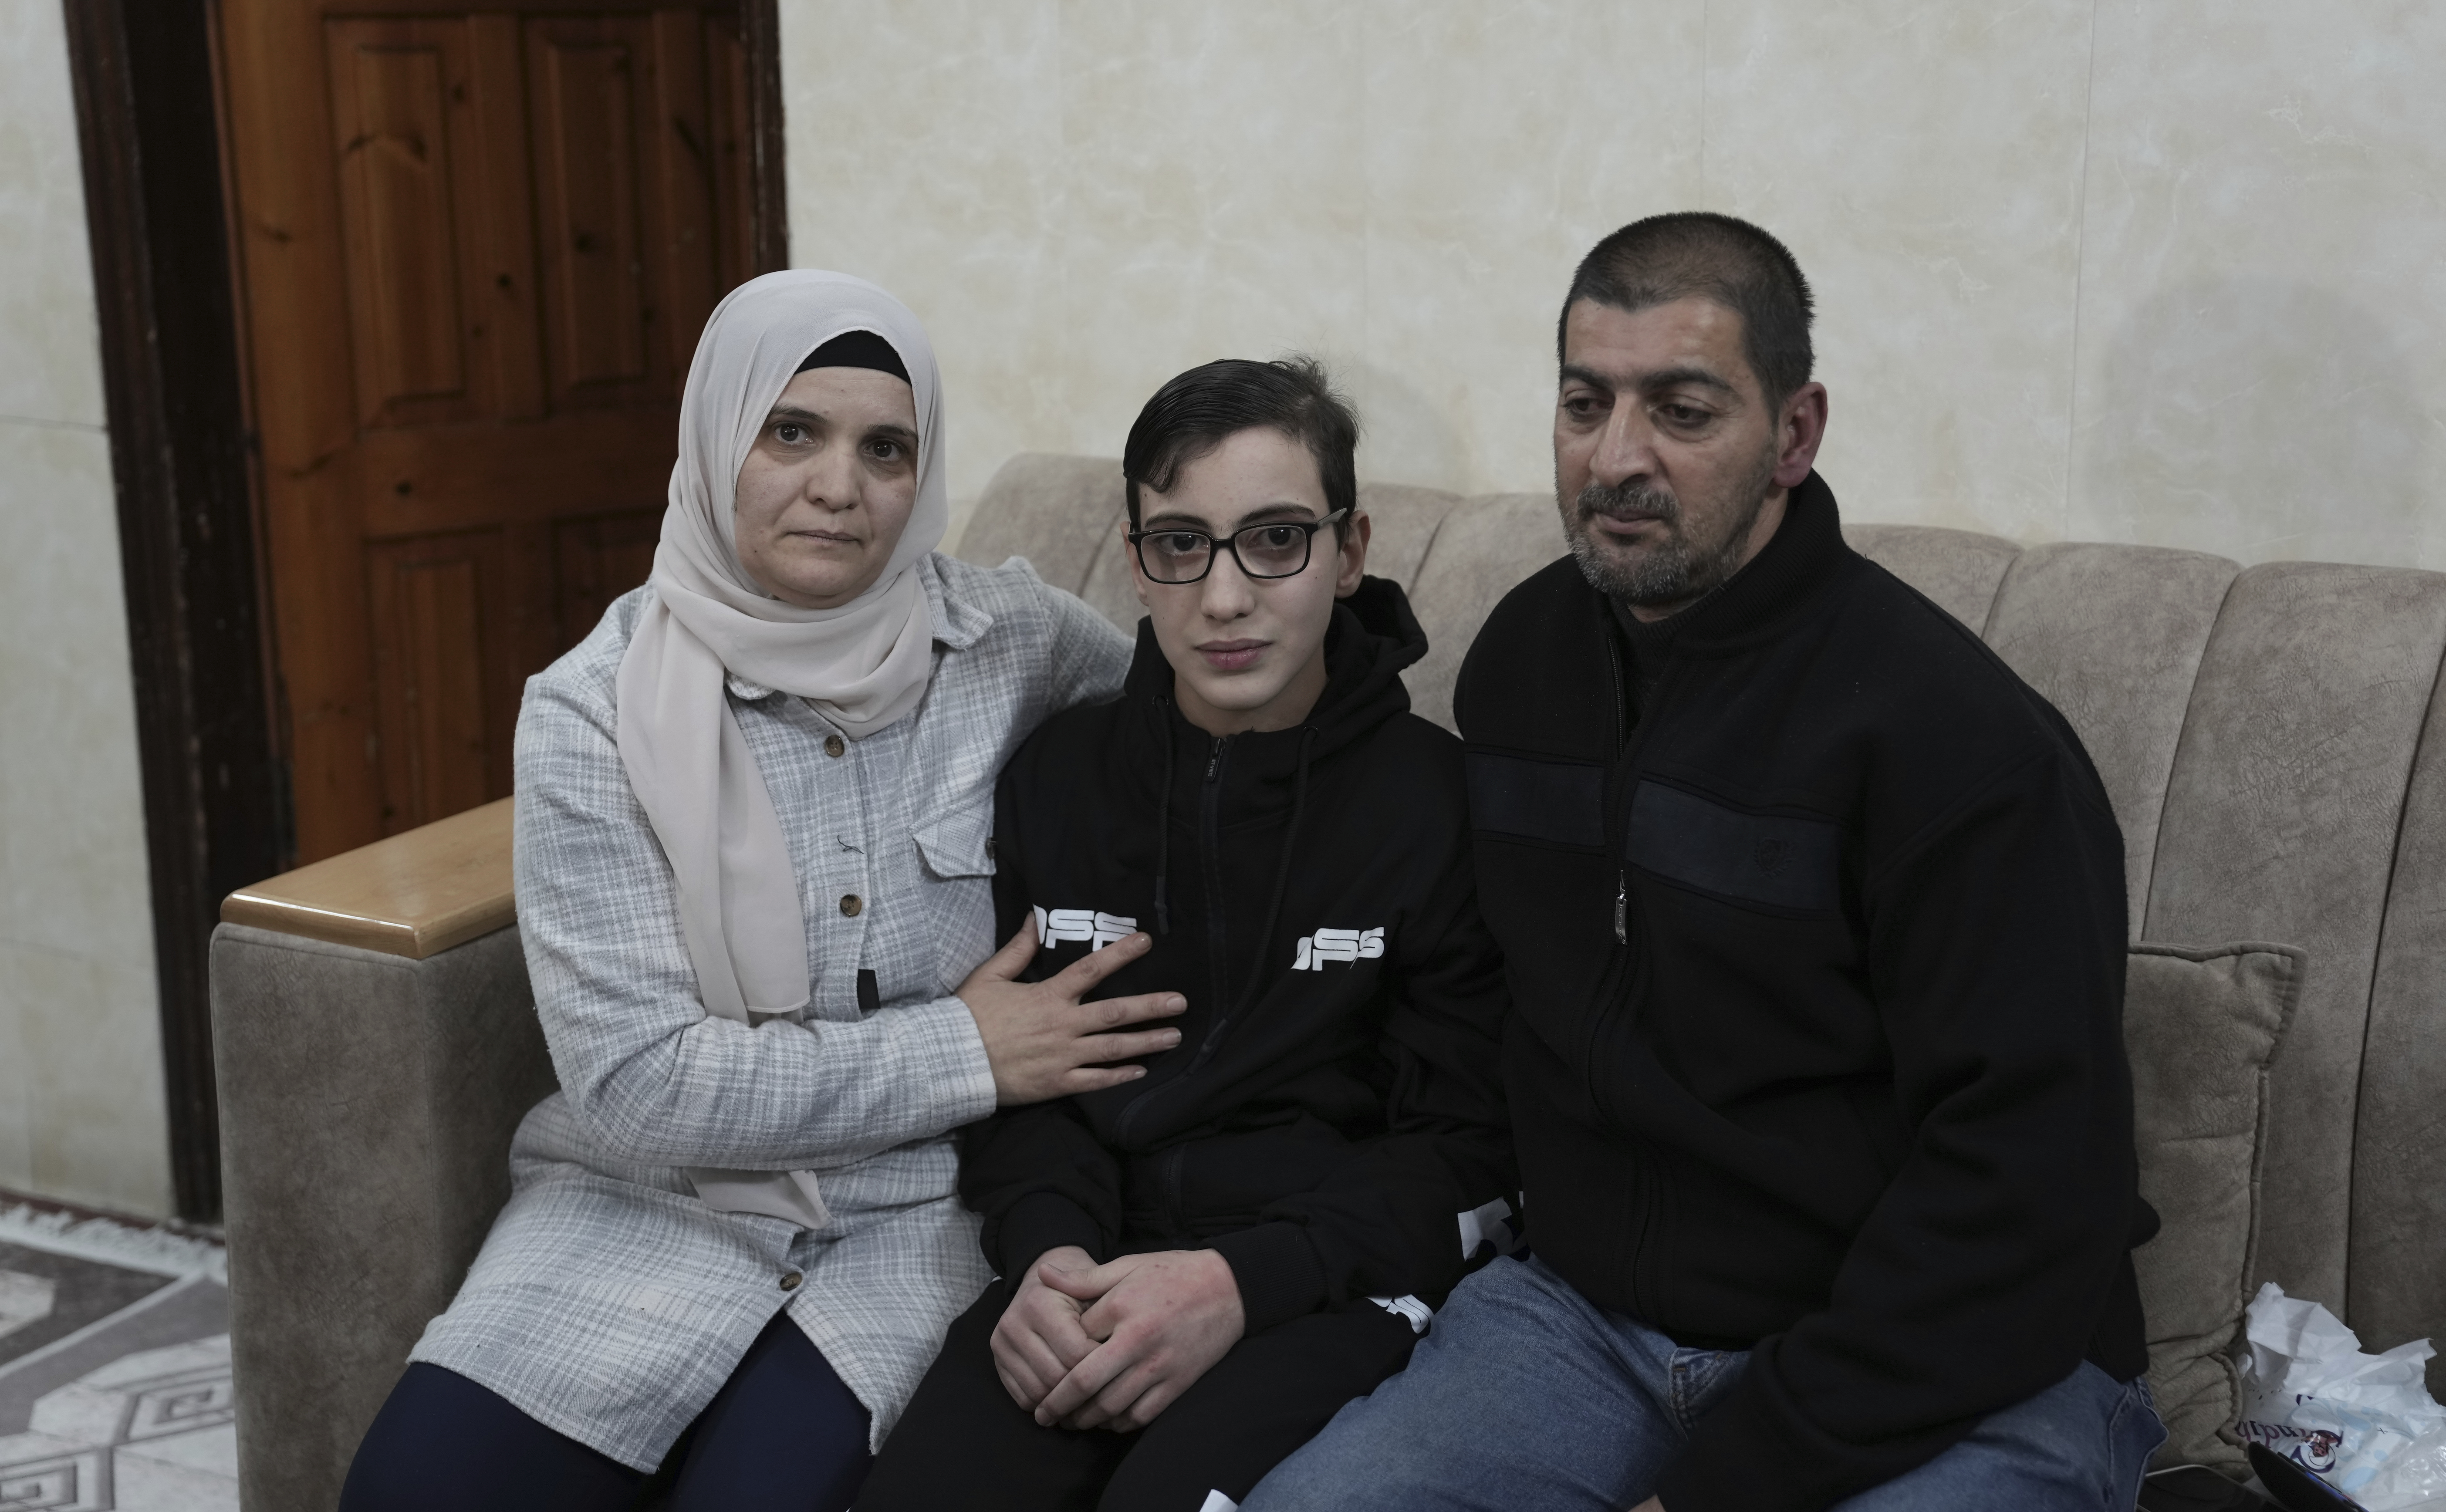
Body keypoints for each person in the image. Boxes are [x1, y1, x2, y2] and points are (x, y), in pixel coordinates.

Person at [1245, 214, 2165, 1512]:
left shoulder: (1961, 748)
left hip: (1958, 1373)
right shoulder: (1526, 664)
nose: (1617, 459)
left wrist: (1737, 1476)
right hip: (1586, 1327)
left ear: (1794, 434)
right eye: (1584, 403)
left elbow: (2030, 1194)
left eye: (1681, 410)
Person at [339, 271, 1190, 1511]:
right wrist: (970, 1049)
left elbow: (1215, 731)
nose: (840, 487)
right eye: (793, 432)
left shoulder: (1014, 640)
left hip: (923, 1209)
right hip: (651, 1202)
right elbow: (639, 1085)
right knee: (412, 1499)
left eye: (886, 449)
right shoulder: (592, 709)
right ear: (716, 438)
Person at [858, 357, 1515, 1512]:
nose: (1224, 598)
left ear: (1351, 550)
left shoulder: (1442, 804)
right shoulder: (1057, 778)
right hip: (1090, 1268)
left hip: (1330, 1279)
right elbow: (1024, 1081)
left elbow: (1470, 1146)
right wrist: (1045, 1253)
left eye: (1274, 540)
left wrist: (1240, 1282)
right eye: (1182, 544)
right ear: (1136, 562)